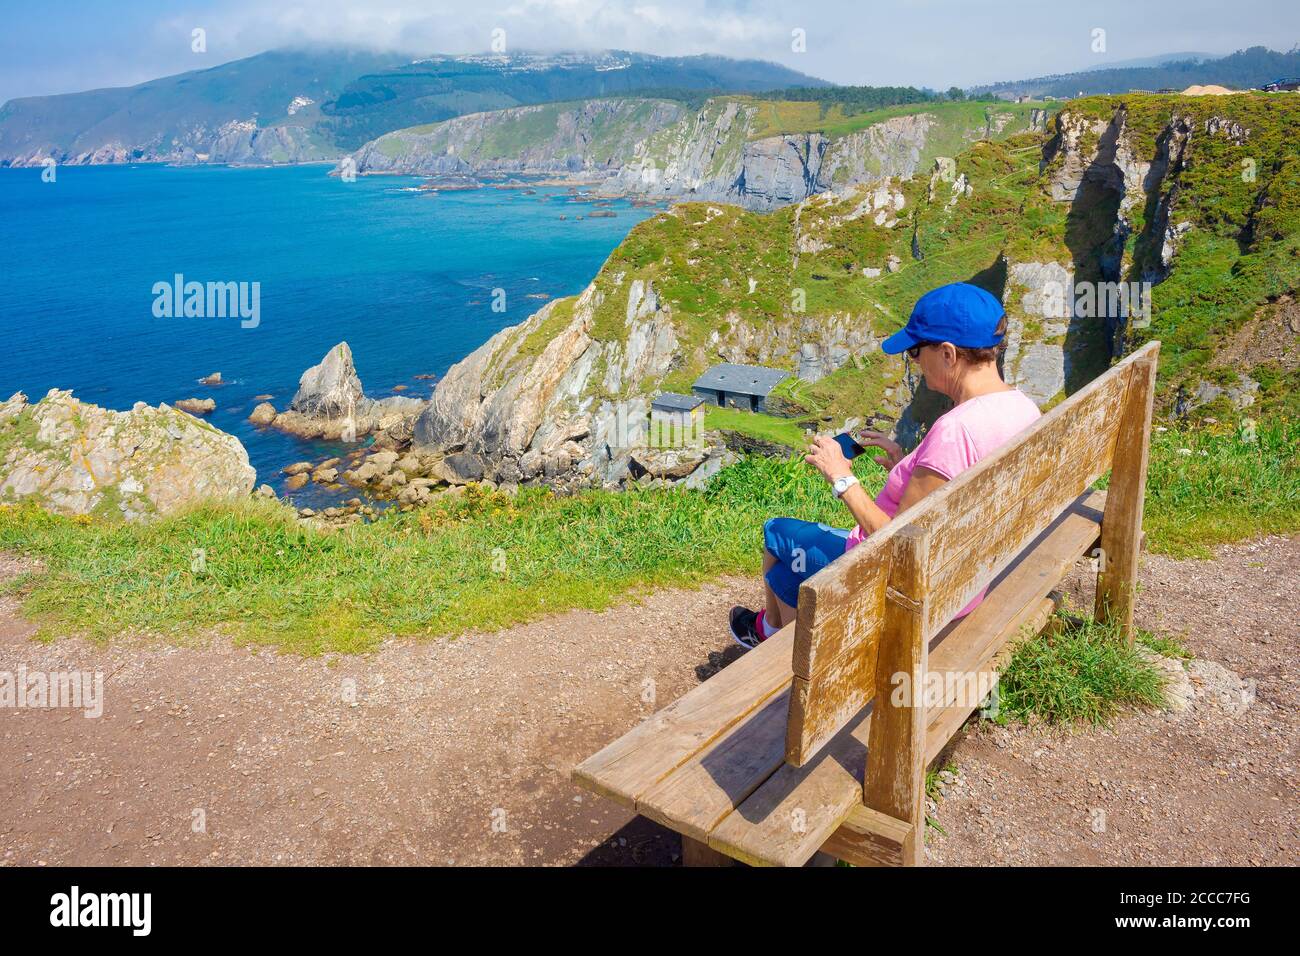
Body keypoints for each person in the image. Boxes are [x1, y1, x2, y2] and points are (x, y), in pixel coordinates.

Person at [730, 282, 1043, 649]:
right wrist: (906, 464)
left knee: (776, 532)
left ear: (947, 353)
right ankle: (778, 641)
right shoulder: (1022, 408)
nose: (913, 362)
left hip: (912, 582)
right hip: (966, 570)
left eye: (914, 351)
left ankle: (769, 634)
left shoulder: (955, 432)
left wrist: (841, 476)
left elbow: (896, 544)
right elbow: (950, 481)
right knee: (786, 576)